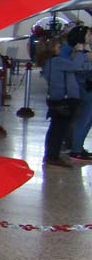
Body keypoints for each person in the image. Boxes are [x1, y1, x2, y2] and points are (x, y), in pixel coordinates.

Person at [39, 34, 92, 167]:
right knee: (59, 129)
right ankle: (53, 155)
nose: (60, 48)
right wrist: (81, 53)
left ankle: (52, 154)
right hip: (65, 100)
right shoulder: (57, 62)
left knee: (56, 128)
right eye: (58, 46)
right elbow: (74, 66)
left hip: (57, 99)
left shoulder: (48, 63)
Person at [60, 25, 92, 163]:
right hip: (84, 90)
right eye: (89, 34)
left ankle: (79, 147)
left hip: (86, 89)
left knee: (87, 120)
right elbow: (77, 69)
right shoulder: (79, 54)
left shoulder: (83, 52)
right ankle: (76, 149)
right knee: (83, 120)